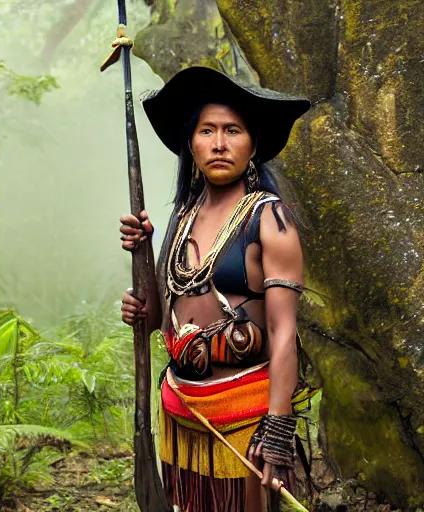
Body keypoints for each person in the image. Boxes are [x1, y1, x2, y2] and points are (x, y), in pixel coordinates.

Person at [119, 67, 313, 512]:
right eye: (207, 131)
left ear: (253, 143)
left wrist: (278, 430)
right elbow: (162, 321)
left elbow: (283, 332)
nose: (220, 143)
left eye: (233, 131)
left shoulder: (269, 218)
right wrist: (144, 260)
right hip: (182, 414)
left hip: (244, 419)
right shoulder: (181, 217)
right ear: (191, 143)